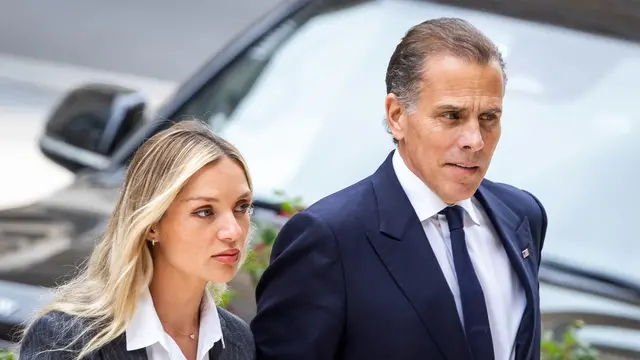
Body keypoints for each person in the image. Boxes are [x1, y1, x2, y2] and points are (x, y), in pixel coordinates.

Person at [250, 17, 547, 360]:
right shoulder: (328, 238)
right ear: (396, 115)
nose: (474, 140)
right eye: (451, 116)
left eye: (488, 118)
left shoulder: (522, 215)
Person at [19, 120, 256, 360]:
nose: (233, 231)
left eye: (242, 207)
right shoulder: (67, 340)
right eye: (205, 211)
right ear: (152, 224)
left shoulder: (238, 341)